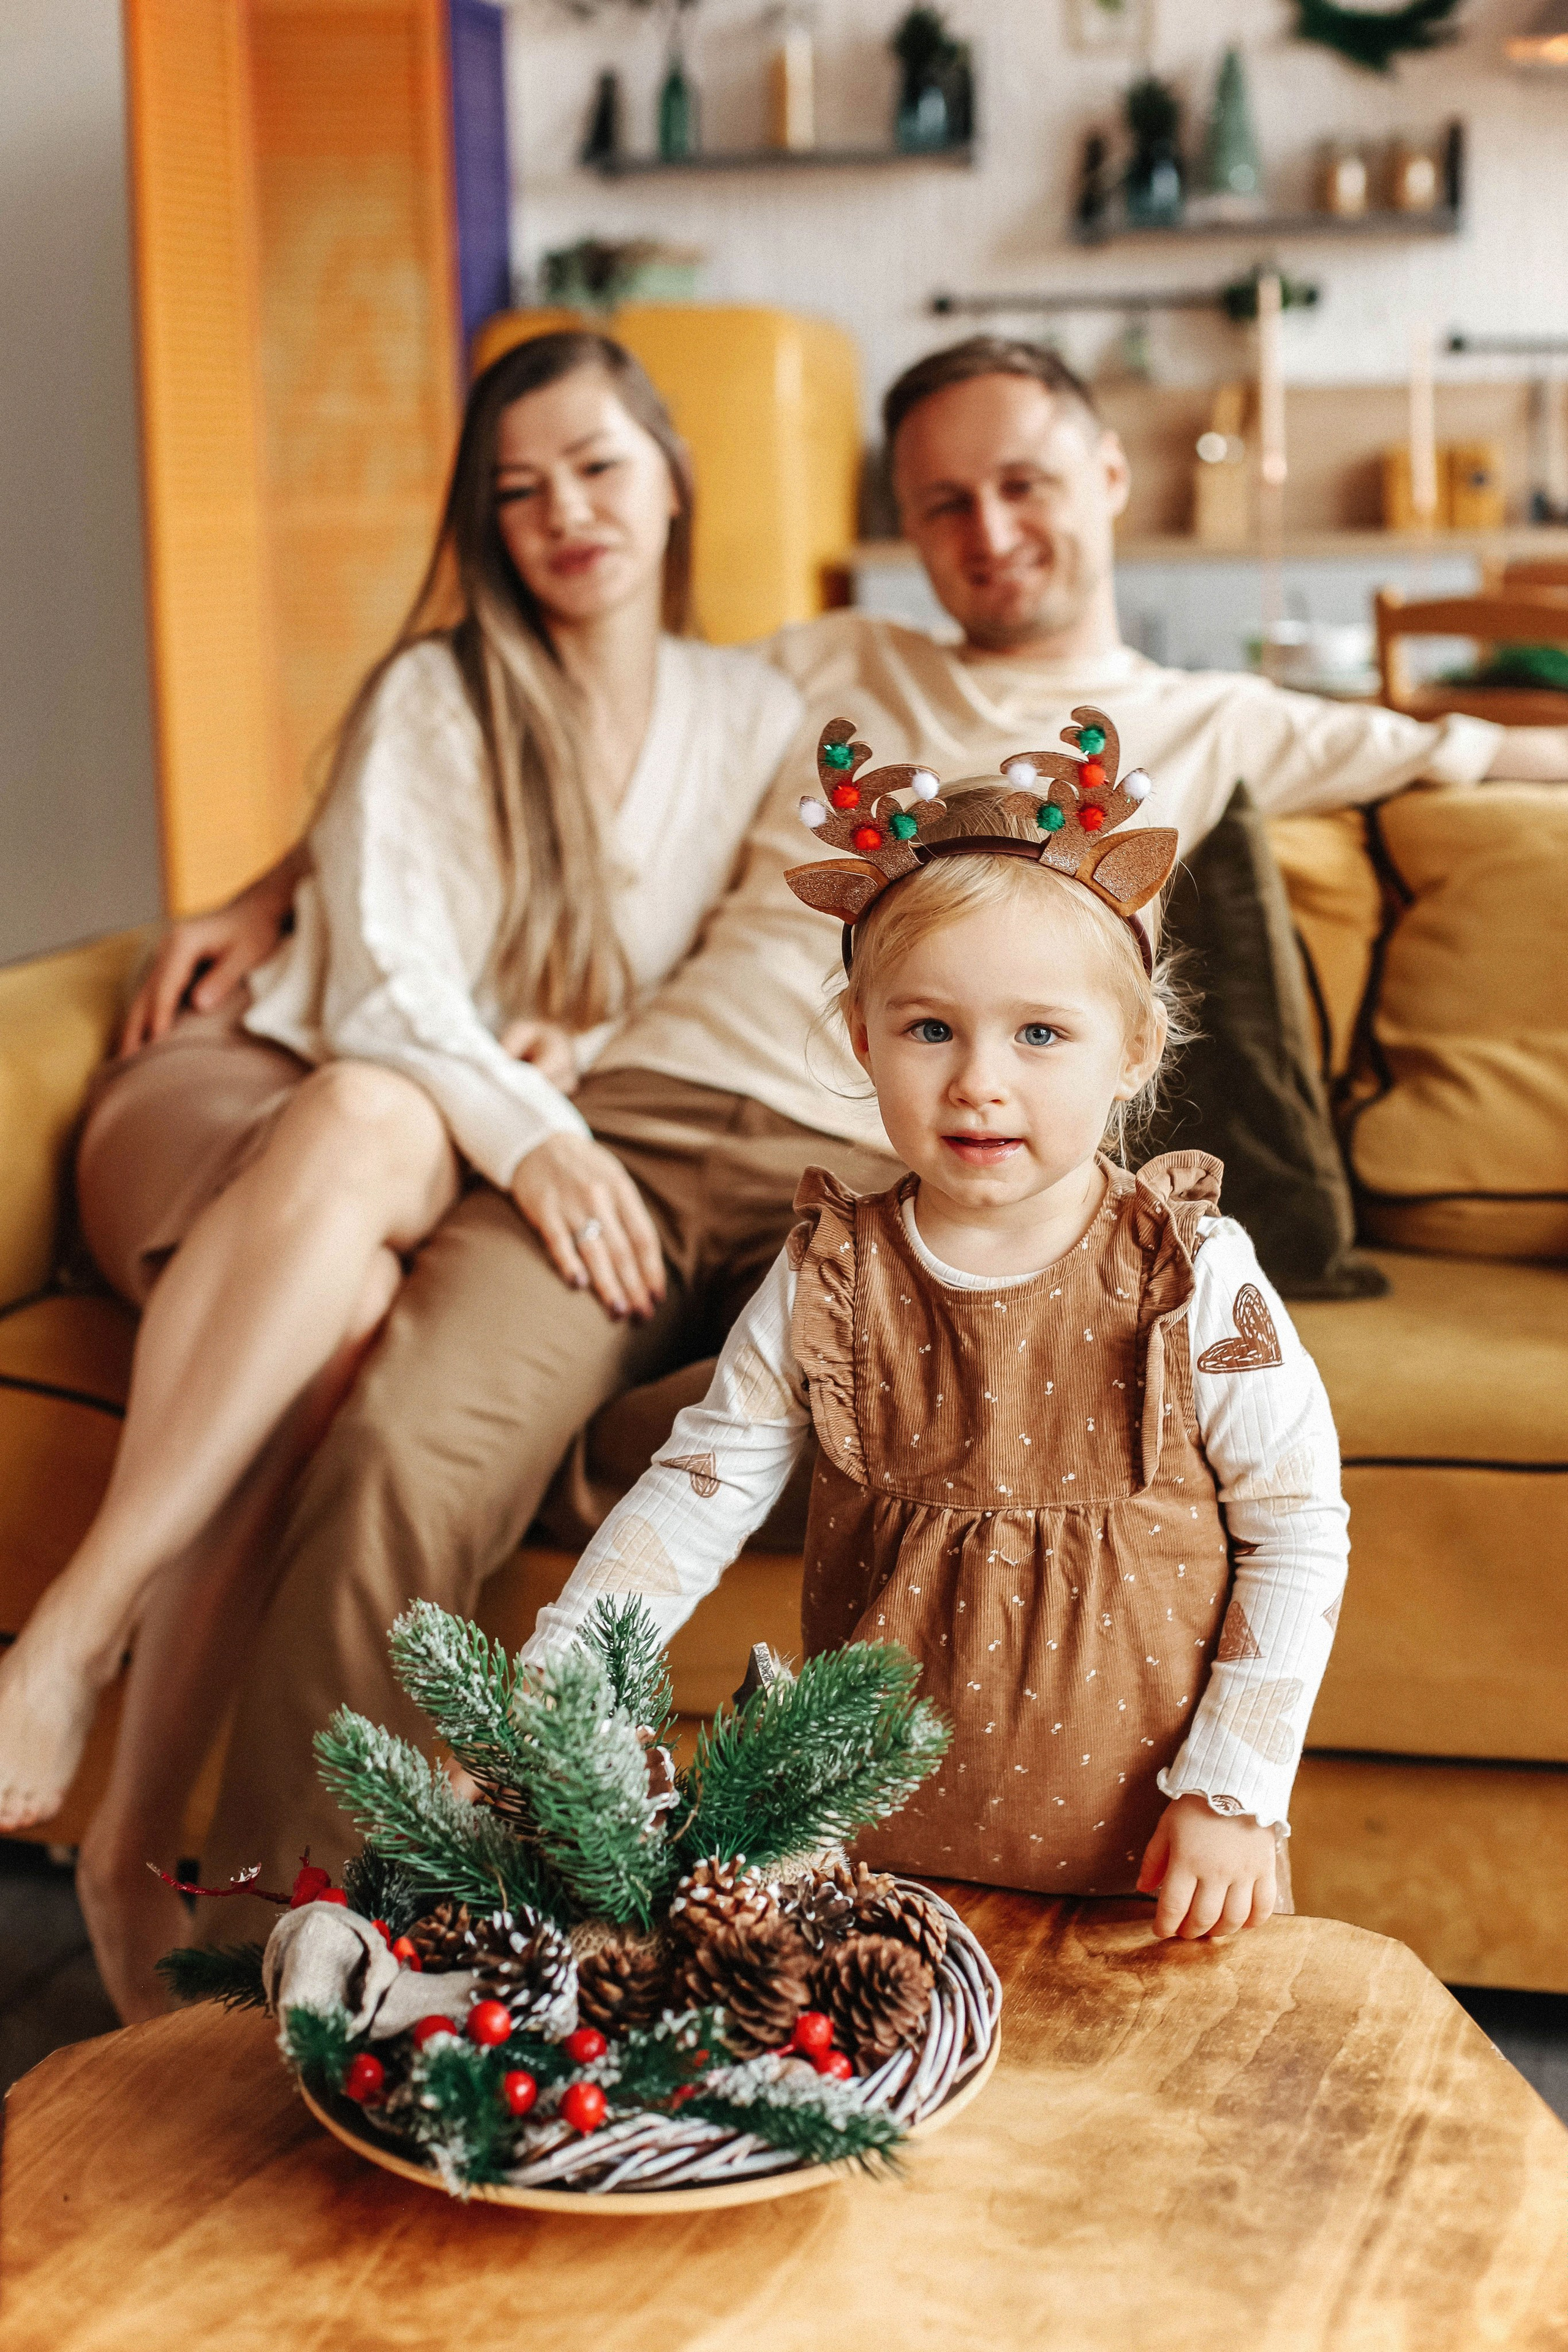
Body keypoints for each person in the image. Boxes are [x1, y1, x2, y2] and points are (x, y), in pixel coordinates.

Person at [123, 334, 1563, 1950]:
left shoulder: (1216, 716)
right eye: (943, 502)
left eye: (1024, 483)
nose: (988, 531)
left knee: (788, 1443)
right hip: (639, 1133)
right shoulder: (815, 663)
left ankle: (577, 1709)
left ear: (1107, 475)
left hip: (900, 1182)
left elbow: (1483, 750)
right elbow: (540, 732)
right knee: (404, 1439)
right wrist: (274, 896)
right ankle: (280, 1945)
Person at [0, 328, 833, 2018]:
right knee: (381, 1108)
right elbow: (384, 988)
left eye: (599, 467)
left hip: (412, 1168)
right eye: (518, 489)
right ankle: (72, 1635)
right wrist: (540, 1134)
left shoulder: (761, 712)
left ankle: (133, 1848)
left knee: (354, 1347)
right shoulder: (441, 690)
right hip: (257, 1091)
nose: (565, 513)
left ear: (673, 478)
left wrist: (562, 1086)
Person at [523, 716, 1349, 1937]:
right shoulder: (830, 1276)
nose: (977, 1080)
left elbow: (1296, 1531)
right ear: (861, 1038)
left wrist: (1232, 1785)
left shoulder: (1190, 1273)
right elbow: (692, 1491)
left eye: (1038, 1033)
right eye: (928, 1030)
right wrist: (553, 1689)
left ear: (1131, 1050)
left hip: (1149, 1861)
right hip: (865, 1860)